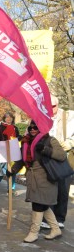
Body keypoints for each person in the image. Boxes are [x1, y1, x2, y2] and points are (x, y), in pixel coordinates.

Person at [8, 120, 66, 242]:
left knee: (38, 204)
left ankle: (34, 232)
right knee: (43, 204)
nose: (33, 129)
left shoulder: (50, 140)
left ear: (41, 128)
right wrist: (13, 170)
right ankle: (55, 229)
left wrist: (45, 149)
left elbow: (61, 155)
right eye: (30, 128)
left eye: (36, 127)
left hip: (46, 177)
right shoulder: (25, 142)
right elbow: (21, 160)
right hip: (32, 177)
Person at [44, 95, 74, 229]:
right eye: (48, 106)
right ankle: (48, 218)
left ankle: (60, 218)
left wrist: (70, 143)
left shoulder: (69, 116)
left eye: (53, 106)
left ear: (58, 104)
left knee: (63, 189)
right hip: (48, 157)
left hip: (64, 157)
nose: (51, 109)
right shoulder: (42, 116)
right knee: (48, 188)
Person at [1, 111, 21, 196]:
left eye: (10, 117)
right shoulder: (0, 127)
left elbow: (18, 136)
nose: (8, 119)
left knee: (12, 169)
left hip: (13, 149)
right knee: (1, 169)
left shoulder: (15, 127)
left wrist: (18, 138)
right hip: (2, 149)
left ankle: (11, 188)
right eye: (7, 117)